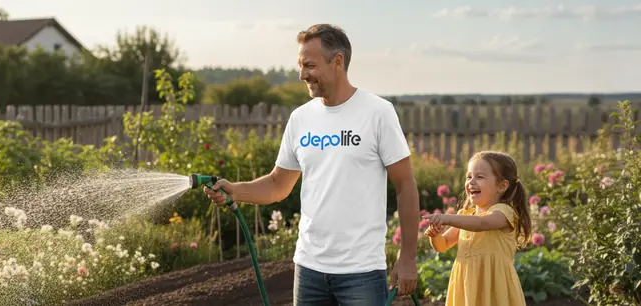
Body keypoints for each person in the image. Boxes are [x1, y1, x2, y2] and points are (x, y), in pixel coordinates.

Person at [203, 23, 420, 305]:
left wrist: (407, 258)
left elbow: (405, 186)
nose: (302, 74)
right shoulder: (301, 118)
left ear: (337, 62)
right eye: (300, 65)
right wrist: (235, 190)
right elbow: (278, 184)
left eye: (309, 65)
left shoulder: (378, 113)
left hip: (362, 272)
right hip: (309, 271)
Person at [423, 151, 532, 305]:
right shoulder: (464, 216)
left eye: (479, 177)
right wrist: (434, 236)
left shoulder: (504, 212)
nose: (471, 182)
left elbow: (482, 224)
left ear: (502, 186)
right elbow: (443, 245)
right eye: (469, 176)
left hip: (494, 288)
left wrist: (446, 218)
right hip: (467, 287)